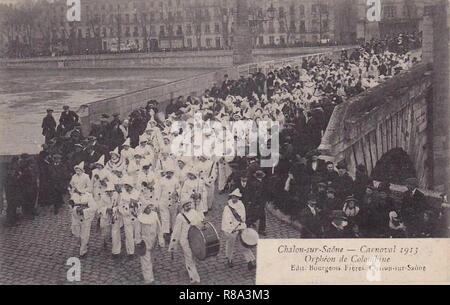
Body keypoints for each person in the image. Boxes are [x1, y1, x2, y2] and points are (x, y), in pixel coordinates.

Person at [168, 200, 204, 284]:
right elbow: (176, 231)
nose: (188, 207)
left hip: (194, 238)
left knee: (192, 256)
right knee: (189, 257)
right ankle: (194, 278)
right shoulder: (180, 217)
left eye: (189, 205)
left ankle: (189, 269)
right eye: (186, 205)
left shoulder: (194, 212)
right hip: (185, 240)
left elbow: (200, 222)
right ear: (183, 207)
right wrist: (173, 245)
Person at [221, 189, 257, 270]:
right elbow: (227, 219)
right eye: (233, 197)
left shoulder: (241, 205)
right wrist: (232, 228)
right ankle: (229, 259)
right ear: (231, 197)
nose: (235, 199)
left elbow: (242, 217)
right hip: (231, 229)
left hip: (240, 228)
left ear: (238, 198)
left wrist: (239, 227)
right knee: (230, 245)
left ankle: (250, 261)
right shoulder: (227, 207)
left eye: (236, 197)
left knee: (244, 245)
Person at [137, 202, 165, 285]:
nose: (149, 209)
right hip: (144, 242)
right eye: (147, 208)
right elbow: (137, 232)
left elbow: (159, 229)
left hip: (153, 241)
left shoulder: (155, 215)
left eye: (149, 208)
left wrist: (161, 240)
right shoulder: (140, 218)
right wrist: (138, 242)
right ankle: (149, 279)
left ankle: (151, 270)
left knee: (152, 258)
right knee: (146, 260)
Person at [69, 189, 97, 258]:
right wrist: (75, 209)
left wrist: (84, 211)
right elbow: (70, 206)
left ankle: (83, 251)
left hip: (86, 218)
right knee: (76, 233)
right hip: (76, 218)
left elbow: (94, 207)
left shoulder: (88, 196)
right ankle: (82, 243)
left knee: (84, 235)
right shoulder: (74, 195)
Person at [4, 157, 22, 227]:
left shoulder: (12, 176)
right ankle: (10, 221)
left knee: (13, 207)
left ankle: (12, 219)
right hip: (11, 195)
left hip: (14, 194)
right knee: (11, 207)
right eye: (12, 170)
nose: (13, 172)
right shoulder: (9, 178)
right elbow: (12, 186)